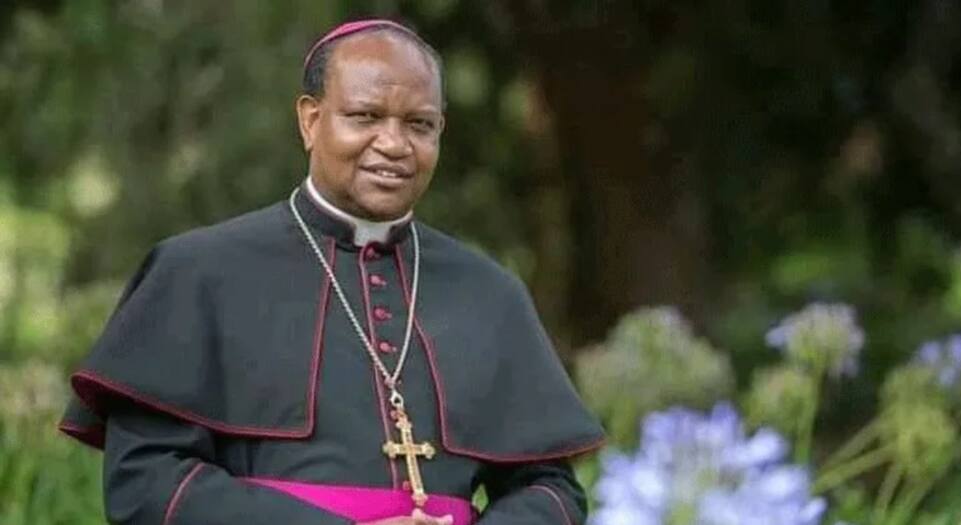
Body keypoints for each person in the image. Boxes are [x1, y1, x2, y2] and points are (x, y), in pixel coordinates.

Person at [59, 19, 605, 525]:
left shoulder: (490, 292)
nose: (394, 144)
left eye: (419, 124)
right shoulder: (197, 273)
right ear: (311, 120)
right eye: (365, 117)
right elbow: (147, 485)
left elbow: (551, 490)